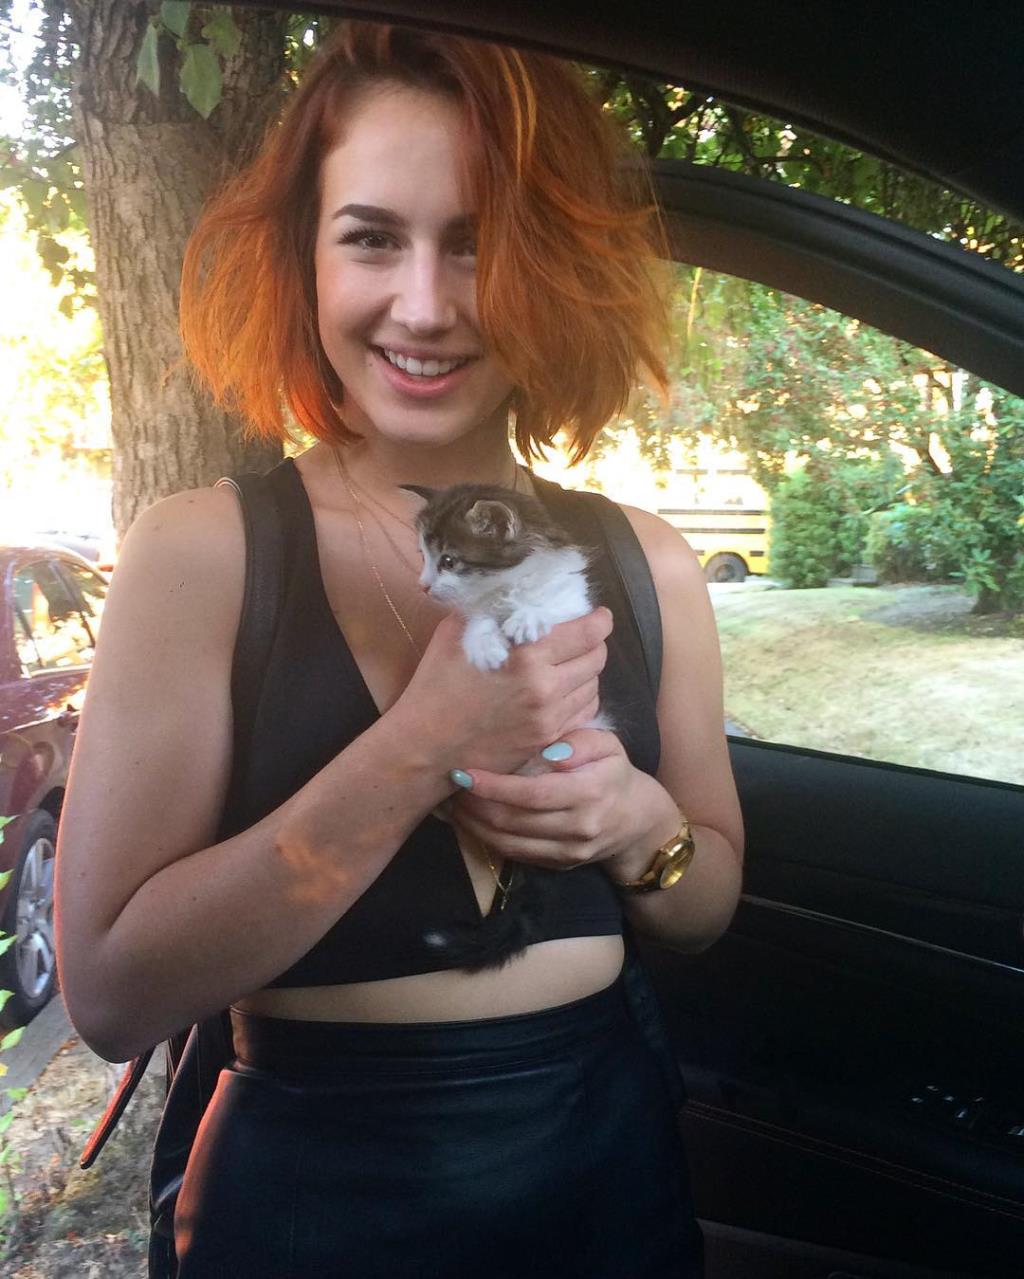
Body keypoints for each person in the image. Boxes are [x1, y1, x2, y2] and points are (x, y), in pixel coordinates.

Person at [55, 20, 743, 1279]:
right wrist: (422, 744)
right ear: (302, 258)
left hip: (613, 1177)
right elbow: (109, 994)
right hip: (312, 1204)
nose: (422, 306)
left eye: (476, 242)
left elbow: (704, 907)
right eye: (371, 237)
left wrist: (640, 824)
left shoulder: (650, 565)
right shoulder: (204, 555)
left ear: (555, 263)